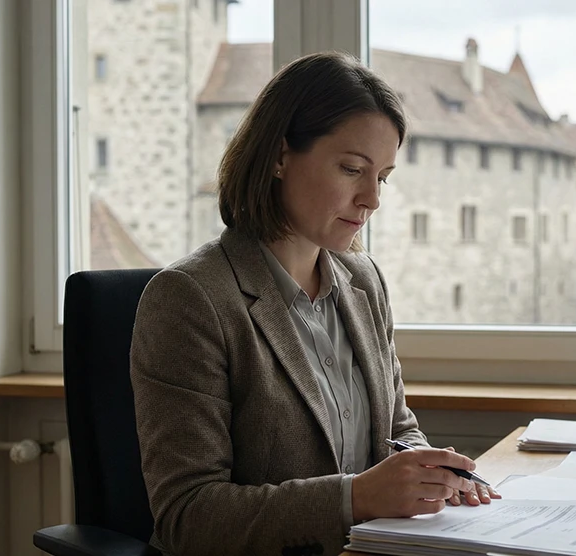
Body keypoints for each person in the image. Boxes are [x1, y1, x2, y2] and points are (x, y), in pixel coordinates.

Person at [129, 51, 500, 556]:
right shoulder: (190, 299)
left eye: (383, 177)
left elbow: (396, 428)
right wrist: (356, 497)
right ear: (280, 156)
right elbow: (188, 518)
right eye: (352, 169)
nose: (372, 198)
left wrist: (429, 470)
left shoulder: (363, 280)